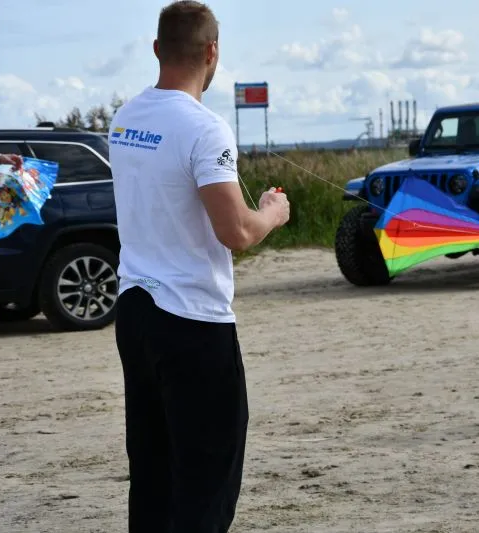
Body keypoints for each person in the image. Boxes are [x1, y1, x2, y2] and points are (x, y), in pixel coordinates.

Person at [108, 2, 290, 531]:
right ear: (212, 52)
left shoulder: (126, 118)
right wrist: (273, 212)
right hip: (191, 319)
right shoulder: (205, 128)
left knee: (153, 472)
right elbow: (236, 232)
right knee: (207, 481)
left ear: (157, 49)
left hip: (134, 313)